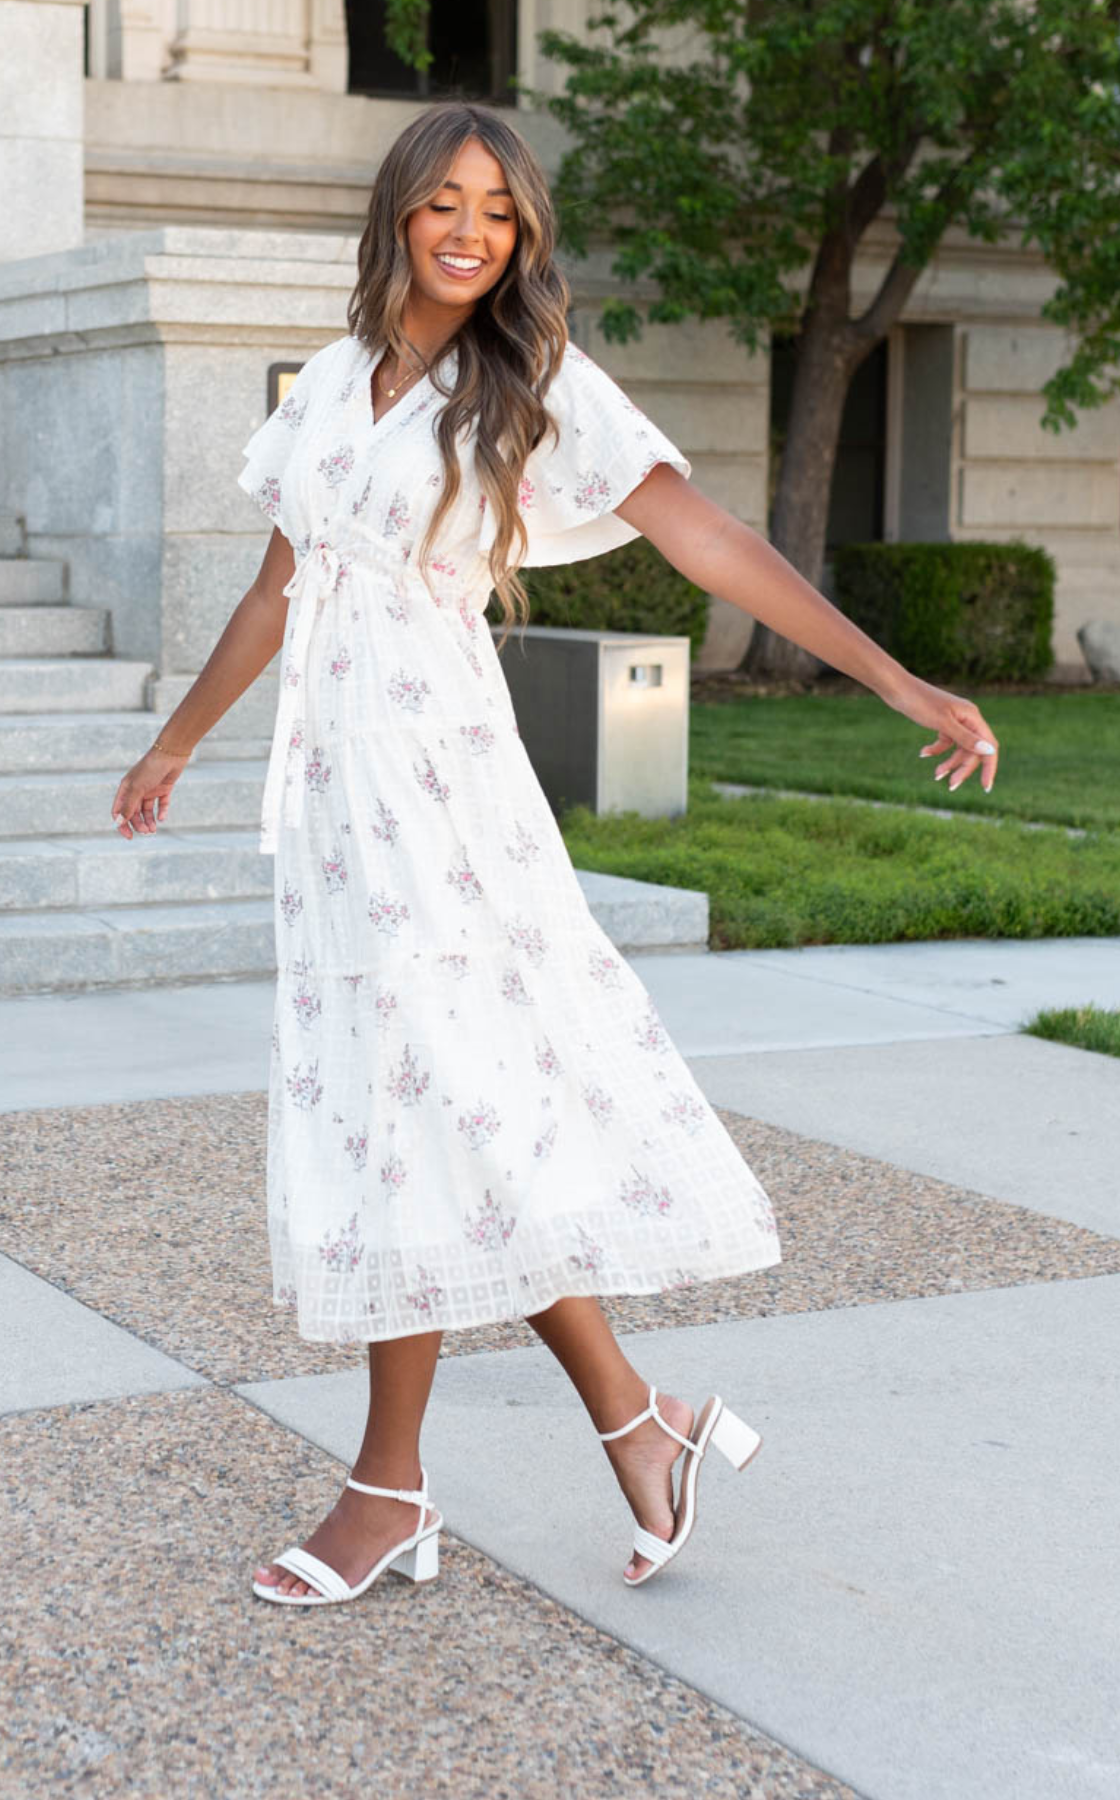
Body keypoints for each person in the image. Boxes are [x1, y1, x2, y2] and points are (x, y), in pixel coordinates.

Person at [110, 101, 1000, 1607]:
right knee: (422, 1114)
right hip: (334, 803)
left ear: (521, 239)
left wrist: (897, 679)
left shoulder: (527, 385)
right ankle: (625, 1424)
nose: (469, 233)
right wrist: (179, 740)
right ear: (395, 213)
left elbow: (702, 534)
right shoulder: (328, 387)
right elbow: (278, 593)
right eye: (443, 203)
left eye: (499, 213)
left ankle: (403, 1486)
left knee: (440, 1105)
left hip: (442, 794)